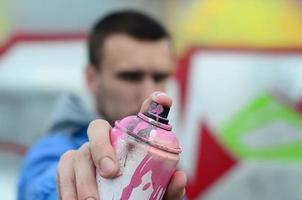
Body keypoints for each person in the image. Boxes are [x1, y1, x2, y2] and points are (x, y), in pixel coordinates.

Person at [18, 10, 187, 200]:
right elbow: (45, 184)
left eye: (160, 76)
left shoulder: (162, 158)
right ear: (92, 79)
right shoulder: (53, 149)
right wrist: (76, 185)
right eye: (130, 76)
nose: (150, 91)